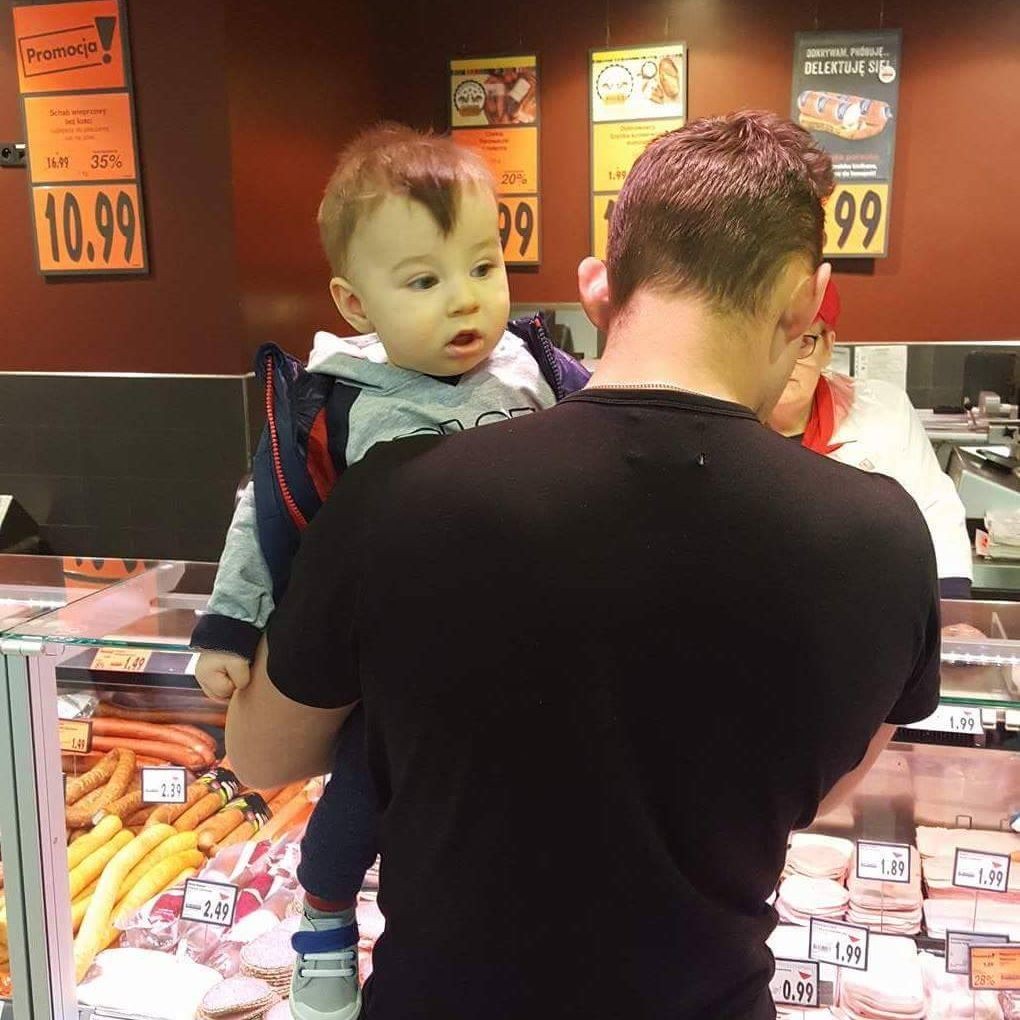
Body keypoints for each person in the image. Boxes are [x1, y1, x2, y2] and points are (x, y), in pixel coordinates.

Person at [226, 111, 941, 1020]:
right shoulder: (882, 536)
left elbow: (262, 755)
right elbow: (817, 792)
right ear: (806, 301)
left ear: (598, 286)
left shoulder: (394, 494)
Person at [190, 123, 587, 1020]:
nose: (465, 300)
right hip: (398, 674)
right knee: (357, 804)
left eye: (483, 266)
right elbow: (264, 511)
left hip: (535, 653)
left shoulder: (540, 370)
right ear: (355, 301)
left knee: (539, 810)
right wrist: (228, 626)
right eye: (423, 281)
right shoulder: (337, 404)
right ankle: (325, 926)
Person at [769, 278, 973, 597]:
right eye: (775, 339)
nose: (787, 359)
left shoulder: (883, 409)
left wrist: (952, 606)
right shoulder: (718, 419)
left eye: (804, 341)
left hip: (869, 602)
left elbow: (934, 509)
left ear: (828, 347)